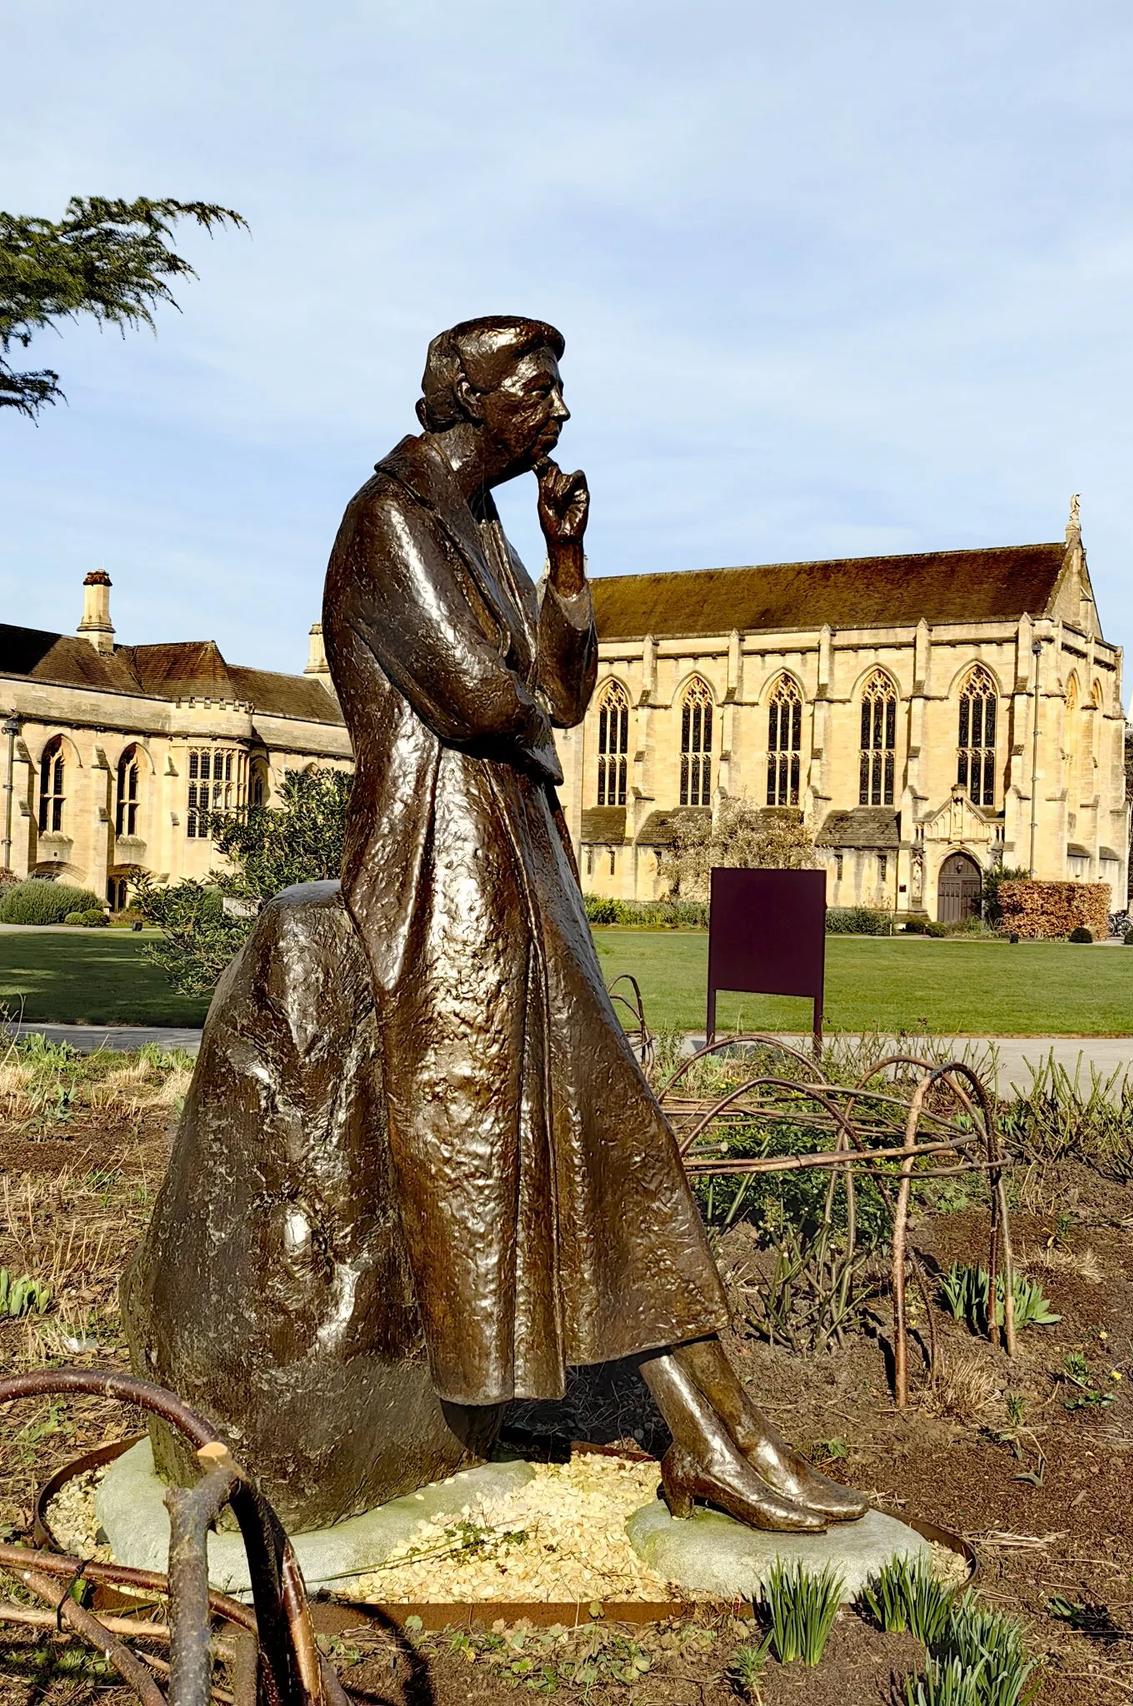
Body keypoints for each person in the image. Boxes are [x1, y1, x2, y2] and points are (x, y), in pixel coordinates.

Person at [323, 316, 864, 1530]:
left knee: (592, 1145)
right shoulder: (392, 521)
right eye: (536, 386)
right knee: (539, 1150)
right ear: (467, 395)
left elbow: (552, 696)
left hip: (517, 870)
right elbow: (476, 695)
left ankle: (709, 1434)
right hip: (441, 889)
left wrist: (567, 568)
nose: (559, 408)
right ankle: (712, 1438)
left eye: (559, 384)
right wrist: (524, 697)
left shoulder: (486, 530)